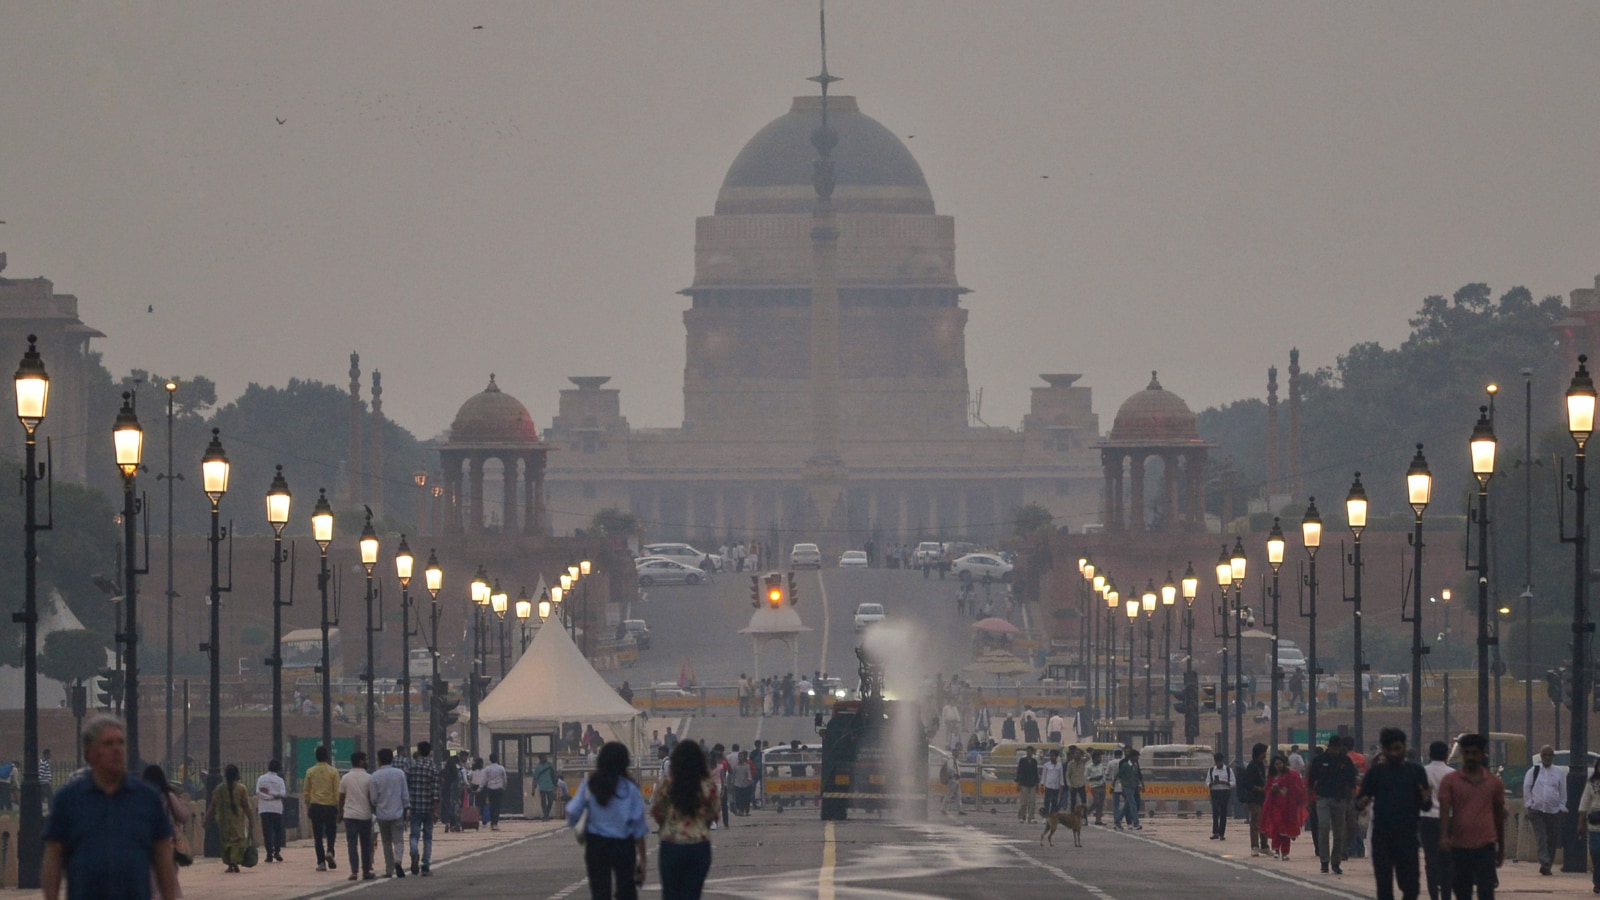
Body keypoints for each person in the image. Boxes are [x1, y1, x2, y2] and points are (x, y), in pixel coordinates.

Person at [41, 715, 178, 900]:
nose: (116, 749)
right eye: (108, 743)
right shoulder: (68, 800)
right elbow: (54, 856)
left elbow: (162, 856)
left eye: (120, 743)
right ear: (89, 752)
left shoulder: (147, 798)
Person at [567, 742, 650, 900]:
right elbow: (638, 826)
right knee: (626, 891)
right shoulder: (630, 788)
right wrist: (643, 859)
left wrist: (575, 823)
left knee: (600, 891)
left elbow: (571, 810)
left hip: (596, 845)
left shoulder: (591, 784)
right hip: (623, 845)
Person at [1438, 733, 1505, 899]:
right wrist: (1444, 836)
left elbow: (1498, 816)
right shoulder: (1451, 781)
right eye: (1466, 753)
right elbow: (1445, 810)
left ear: (1482, 754)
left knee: (1486, 891)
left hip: (1485, 844)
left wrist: (1501, 847)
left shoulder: (1493, 783)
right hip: (1459, 845)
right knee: (1462, 890)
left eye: (1474, 753)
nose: (1470, 757)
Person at [651, 740, 719, 900]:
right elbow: (713, 815)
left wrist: (666, 825)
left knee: (670, 893)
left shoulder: (667, 783)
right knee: (692, 894)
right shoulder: (707, 785)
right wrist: (701, 826)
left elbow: (657, 811)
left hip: (672, 843)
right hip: (699, 844)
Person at [1307, 733, 1358, 874]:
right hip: (1322, 798)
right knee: (1323, 827)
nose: (1335, 751)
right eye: (1333, 748)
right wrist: (1309, 800)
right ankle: (1324, 860)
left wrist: (1351, 801)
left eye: (1337, 749)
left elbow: (1352, 783)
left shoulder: (1346, 761)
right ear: (1328, 747)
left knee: (1339, 832)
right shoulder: (1319, 760)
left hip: (1340, 799)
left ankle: (1336, 861)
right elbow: (1311, 782)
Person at [141, 764, 188, 899]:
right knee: (168, 872)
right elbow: (183, 816)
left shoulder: (140, 798)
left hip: (146, 843)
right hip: (168, 843)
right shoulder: (168, 797)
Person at [1522, 744, 1567, 877]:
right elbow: (1527, 787)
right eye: (1544, 755)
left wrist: (1561, 806)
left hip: (1553, 811)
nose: (1547, 757)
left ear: (1553, 757)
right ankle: (1544, 861)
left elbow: (1562, 791)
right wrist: (1529, 803)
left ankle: (1547, 865)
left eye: (1549, 755)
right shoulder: (1533, 771)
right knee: (1541, 836)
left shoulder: (1559, 772)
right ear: (1541, 756)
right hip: (1537, 810)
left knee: (1552, 839)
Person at [203, 764, 253, 874]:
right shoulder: (241, 788)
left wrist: (206, 820)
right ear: (237, 775)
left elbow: (212, 806)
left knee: (225, 842)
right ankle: (234, 861)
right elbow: (246, 806)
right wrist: (251, 819)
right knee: (237, 841)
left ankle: (230, 864)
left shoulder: (219, 789)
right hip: (237, 820)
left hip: (222, 821)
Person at [1420, 740, 1454, 900]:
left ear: (1430, 754)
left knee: (1431, 859)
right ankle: (1446, 894)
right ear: (1447, 755)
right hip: (1448, 819)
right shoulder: (1453, 774)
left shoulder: (1423, 772)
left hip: (1427, 819)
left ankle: (1434, 894)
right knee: (1447, 860)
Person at [369, 747, 410, 879]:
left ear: (379, 760)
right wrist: (406, 808)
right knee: (398, 840)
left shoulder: (374, 776)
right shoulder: (400, 774)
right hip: (398, 812)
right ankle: (398, 860)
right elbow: (405, 794)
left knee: (386, 842)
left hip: (382, 814)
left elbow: (373, 799)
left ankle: (389, 868)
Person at [340, 750, 377, 881]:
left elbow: (341, 797)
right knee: (365, 843)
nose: (366, 762)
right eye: (365, 759)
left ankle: (354, 871)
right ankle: (366, 871)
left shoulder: (345, 777)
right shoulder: (369, 778)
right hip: (365, 815)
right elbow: (371, 798)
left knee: (352, 843)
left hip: (349, 815)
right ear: (360, 761)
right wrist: (375, 811)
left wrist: (340, 814)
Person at [304, 746, 341, 871]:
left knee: (318, 835)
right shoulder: (333, 772)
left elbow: (307, 791)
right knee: (331, 832)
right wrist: (338, 806)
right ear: (327, 757)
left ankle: (321, 862)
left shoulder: (310, 771)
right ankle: (330, 850)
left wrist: (308, 804)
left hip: (316, 806)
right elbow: (337, 791)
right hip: (330, 806)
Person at [1263, 754, 1307, 860]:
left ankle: (1285, 852)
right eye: (1276, 764)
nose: (1278, 766)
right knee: (1278, 827)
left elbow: (1297, 790)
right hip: (1275, 807)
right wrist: (1273, 791)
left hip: (1288, 807)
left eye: (1280, 763)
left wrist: (1286, 790)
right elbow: (1267, 791)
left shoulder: (1291, 776)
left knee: (1286, 830)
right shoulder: (1272, 778)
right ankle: (1277, 849)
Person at [407, 741, 440, 876]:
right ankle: (425, 865)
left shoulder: (411, 766)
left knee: (414, 834)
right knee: (428, 837)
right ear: (429, 752)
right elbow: (436, 791)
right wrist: (436, 810)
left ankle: (414, 851)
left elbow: (406, 787)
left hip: (414, 806)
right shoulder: (432, 767)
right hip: (428, 807)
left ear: (419, 751)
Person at [1574, 757, 1600, 894]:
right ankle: (1597, 879)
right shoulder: (1591, 783)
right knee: (1596, 852)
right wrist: (1580, 822)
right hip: (1595, 824)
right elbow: (1584, 804)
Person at [255, 759, 287, 863]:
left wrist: (268, 795)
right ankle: (277, 851)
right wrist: (274, 795)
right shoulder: (279, 780)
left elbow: (258, 792)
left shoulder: (261, 779)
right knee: (278, 831)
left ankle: (269, 853)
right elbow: (283, 794)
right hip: (276, 809)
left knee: (267, 832)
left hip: (264, 808)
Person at [1242, 743, 1270, 856]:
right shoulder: (1251, 766)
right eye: (1264, 752)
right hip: (1254, 799)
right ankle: (1254, 846)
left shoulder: (1261, 765)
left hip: (1263, 798)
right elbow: (1249, 785)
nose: (1265, 754)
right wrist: (1262, 789)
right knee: (1255, 823)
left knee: (1264, 822)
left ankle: (1264, 845)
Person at [1207, 752, 1235, 840]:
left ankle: (1221, 833)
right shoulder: (1211, 770)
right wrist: (1212, 783)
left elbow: (1233, 782)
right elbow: (1207, 782)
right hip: (1214, 791)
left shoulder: (1228, 770)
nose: (1218, 764)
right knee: (1215, 812)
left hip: (1224, 791)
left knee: (1223, 812)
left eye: (1219, 762)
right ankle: (1215, 832)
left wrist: (1226, 783)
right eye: (1217, 762)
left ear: (1222, 761)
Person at [1116, 748, 1144, 830]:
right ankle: (1136, 823)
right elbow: (1119, 775)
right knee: (1133, 804)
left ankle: (1118, 820)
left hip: (1133, 787)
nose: (1137, 759)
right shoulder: (1125, 765)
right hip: (1127, 787)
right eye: (1136, 757)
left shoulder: (1135, 765)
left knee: (1127, 805)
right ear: (1132, 757)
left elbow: (1137, 776)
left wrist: (1139, 784)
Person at [483, 752, 508, 830]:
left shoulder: (487, 769)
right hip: (499, 789)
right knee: (497, 806)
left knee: (491, 806)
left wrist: (480, 788)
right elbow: (504, 779)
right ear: (497, 759)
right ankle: (495, 823)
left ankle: (492, 822)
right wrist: (504, 787)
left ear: (490, 760)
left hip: (490, 789)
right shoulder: (501, 768)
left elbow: (484, 780)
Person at [1015, 747, 1040, 824]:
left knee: (1032, 801)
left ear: (1033, 753)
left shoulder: (1034, 762)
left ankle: (1031, 817)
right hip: (1024, 783)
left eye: (1031, 752)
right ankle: (1022, 817)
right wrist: (1018, 783)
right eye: (1028, 752)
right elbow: (1019, 772)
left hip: (1032, 783)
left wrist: (1037, 783)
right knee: (1023, 802)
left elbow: (1036, 773)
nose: (1029, 753)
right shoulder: (1022, 761)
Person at [533, 753, 560, 821]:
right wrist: (533, 789)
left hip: (550, 786)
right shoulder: (538, 768)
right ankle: (546, 815)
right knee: (543, 802)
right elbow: (535, 779)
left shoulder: (550, 765)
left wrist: (555, 781)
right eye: (543, 758)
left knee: (551, 801)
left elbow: (554, 773)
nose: (545, 759)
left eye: (545, 757)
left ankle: (546, 814)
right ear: (540, 759)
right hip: (542, 787)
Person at [1085, 750, 1108, 826]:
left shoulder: (1101, 765)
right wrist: (1094, 778)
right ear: (1094, 758)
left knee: (1100, 804)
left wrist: (1104, 782)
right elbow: (1086, 777)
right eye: (1099, 757)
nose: (1100, 759)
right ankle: (1087, 812)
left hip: (1102, 785)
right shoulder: (1089, 767)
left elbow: (1103, 774)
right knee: (1096, 802)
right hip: (1094, 786)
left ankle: (1098, 820)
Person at [1040, 749, 1064, 817]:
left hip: (1056, 786)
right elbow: (1044, 775)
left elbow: (1061, 776)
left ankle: (1052, 816)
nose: (1051, 757)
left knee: (1054, 801)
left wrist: (1061, 785)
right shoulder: (1046, 765)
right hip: (1048, 786)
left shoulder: (1059, 765)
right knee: (1047, 801)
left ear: (1056, 757)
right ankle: (1045, 816)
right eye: (1050, 756)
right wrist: (1042, 784)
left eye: (1053, 756)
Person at [1065, 746, 1088, 812]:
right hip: (1073, 785)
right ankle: (1072, 818)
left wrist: (1084, 751)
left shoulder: (1082, 761)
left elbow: (1089, 757)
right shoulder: (1070, 763)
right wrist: (1069, 784)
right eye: (1076, 753)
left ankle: (1084, 819)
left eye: (1079, 753)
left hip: (1081, 784)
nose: (1077, 755)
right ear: (1074, 754)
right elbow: (1067, 775)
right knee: (1073, 802)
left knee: (1084, 802)